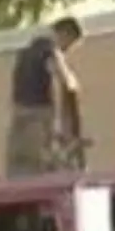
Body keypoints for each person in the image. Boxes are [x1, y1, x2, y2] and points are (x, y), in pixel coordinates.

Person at [6, 16, 84, 177]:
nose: (66, 51)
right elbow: (66, 82)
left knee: (21, 165)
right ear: (65, 34)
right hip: (39, 114)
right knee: (46, 164)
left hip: (18, 114)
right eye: (68, 46)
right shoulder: (50, 50)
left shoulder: (25, 53)